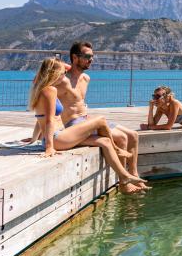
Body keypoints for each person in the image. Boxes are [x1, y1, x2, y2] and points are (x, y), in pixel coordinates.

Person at [28, 58, 146, 188]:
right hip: (57, 138)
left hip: (59, 137)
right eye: (62, 73)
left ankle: (123, 178)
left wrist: (34, 139)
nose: (64, 75)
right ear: (54, 73)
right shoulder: (50, 90)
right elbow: (49, 120)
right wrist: (49, 147)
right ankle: (117, 150)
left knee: (104, 142)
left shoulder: (39, 88)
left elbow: (40, 119)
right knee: (100, 120)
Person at [57, 41, 149, 193]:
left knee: (133, 135)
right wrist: (42, 131)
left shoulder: (86, 78)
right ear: (75, 57)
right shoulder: (63, 81)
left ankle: (134, 175)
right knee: (122, 138)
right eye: (87, 56)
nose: (91, 60)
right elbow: (49, 103)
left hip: (86, 119)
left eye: (92, 56)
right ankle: (124, 183)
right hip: (73, 125)